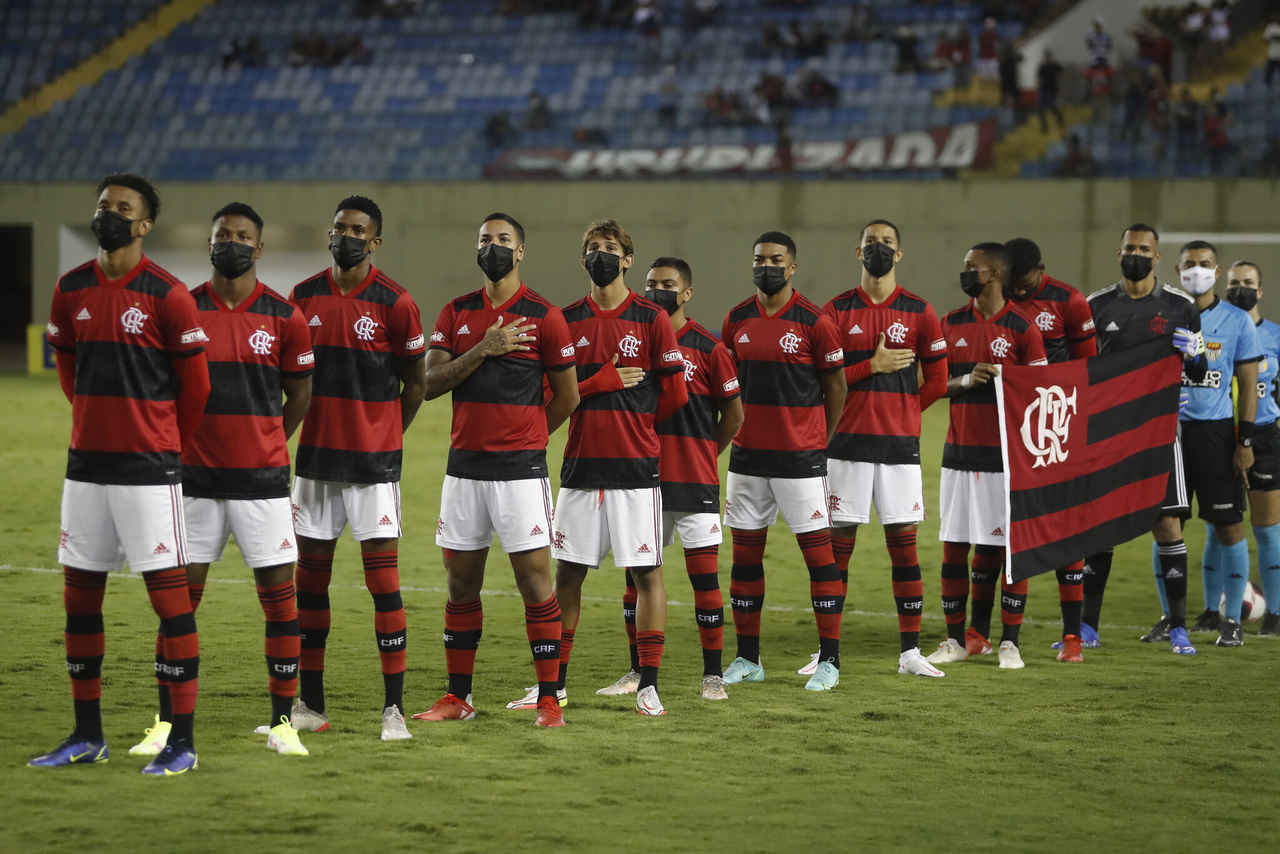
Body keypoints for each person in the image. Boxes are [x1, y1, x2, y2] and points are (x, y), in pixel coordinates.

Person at [32, 174, 210, 775]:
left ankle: (181, 742)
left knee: (171, 604)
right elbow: (69, 371)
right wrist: (94, 423)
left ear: (145, 224)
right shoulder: (71, 288)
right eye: (103, 205)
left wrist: (163, 445)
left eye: (122, 208)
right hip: (86, 469)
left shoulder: (169, 294)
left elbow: (197, 387)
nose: (109, 214)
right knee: (80, 603)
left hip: (148, 471)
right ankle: (87, 735)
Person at [128, 203, 314, 759]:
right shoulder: (181, 309)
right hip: (193, 484)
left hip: (263, 484)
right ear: (209, 245)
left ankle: (283, 723)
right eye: (221, 236)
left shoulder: (285, 316)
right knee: (179, 606)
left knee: (281, 604)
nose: (229, 244)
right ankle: (165, 723)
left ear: (259, 249)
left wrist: (267, 439)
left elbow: (299, 393)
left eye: (241, 237)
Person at [512, 219, 686, 717]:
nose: (601, 255)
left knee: (647, 573)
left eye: (610, 249)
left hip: (634, 469)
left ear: (628, 260)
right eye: (592, 248)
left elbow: (674, 395)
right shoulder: (564, 321)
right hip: (582, 469)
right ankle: (555, 686)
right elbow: (551, 395)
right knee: (568, 576)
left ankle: (648, 684)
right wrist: (600, 382)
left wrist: (635, 426)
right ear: (581, 259)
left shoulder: (652, 319)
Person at [414, 213, 577, 728]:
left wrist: (527, 440)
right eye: (485, 239)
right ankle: (458, 698)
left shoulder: (544, 316)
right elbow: (430, 382)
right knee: (460, 583)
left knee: (535, 581)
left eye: (503, 240)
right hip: (464, 471)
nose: (493, 247)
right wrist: (483, 348)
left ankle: (550, 698)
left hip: (521, 474)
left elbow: (568, 396)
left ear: (521, 252)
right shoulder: (456, 312)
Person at [289, 195, 427, 741]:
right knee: (310, 587)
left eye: (357, 230)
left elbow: (415, 385)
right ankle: (310, 706)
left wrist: (388, 435)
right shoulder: (302, 298)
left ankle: (393, 709)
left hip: (373, 467)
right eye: (339, 227)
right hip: (316, 463)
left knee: (383, 585)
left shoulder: (396, 303)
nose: (345, 236)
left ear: (375, 241)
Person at [597, 257, 743, 701]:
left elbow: (733, 416)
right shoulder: (636, 341)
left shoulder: (709, 348)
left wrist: (702, 452)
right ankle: (637, 672)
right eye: (650, 284)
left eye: (668, 285)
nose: (657, 291)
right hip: (644, 482)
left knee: (705, 582)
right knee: (635, 582)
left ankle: (712, 675)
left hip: (695, 484)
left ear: (687, 293)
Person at [720, 232, 848, 691]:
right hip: (747, 460)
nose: (767, 266)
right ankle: (748, 659)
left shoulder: (815, 321)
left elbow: (837, 388)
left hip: (800, 462)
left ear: (792, 267)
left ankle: (829, 661)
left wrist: (818, 441)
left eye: (776, 260)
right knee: (745, 561)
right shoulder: (736, 319)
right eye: (760, 259)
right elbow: (727, 388)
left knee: (819, 559)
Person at [820, 220, 948, 679]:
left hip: (898, 449)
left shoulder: (919, 311)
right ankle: (825, 651)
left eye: (887, 243)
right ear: (858, 252)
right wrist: (869, 366)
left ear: (899, 254)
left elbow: (936, 378)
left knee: (904, 549)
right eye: (871, 242)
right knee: (836, 551)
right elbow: (825, 381)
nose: (878, 249)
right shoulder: (835, 312)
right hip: (846, 447)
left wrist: (908, 413)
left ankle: (910, 653)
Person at [1083, 224, 1209, 655]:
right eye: (1129, 248)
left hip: (1158, 433)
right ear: (1118, 252)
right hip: (1108, 434)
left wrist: (1196, 354)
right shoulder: (1096, 306)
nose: (1135, 254)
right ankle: (1087, 627)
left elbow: (1196, 372)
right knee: (1099, 531)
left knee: (1168, 524)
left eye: (1143, 249)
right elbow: (1080, 371)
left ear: (1157, 257)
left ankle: (1178, 628)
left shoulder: (1180, 306)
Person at [929, 242, 1047, 671]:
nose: (965, 274)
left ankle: (1009, 642)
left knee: (1010, 550)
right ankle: (956, 640)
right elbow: (934, 383)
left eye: (971, 268)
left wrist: (1006, 377)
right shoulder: (950, 323)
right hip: (959, 455)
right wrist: (964, 380)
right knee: (953, 548)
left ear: (994, 274)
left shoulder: (1021, 327)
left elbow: (1043, 389)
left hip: (1006, 460)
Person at [1156, 241, 1260, 648]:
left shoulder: (1237, 321)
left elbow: (1248, 385)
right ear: (1177, 269)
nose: (1195, 271)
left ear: (1216, 273)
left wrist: (1245, 439)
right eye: (1188, 265)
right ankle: (1171, 617)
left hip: (1215, 434)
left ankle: (1231, 619)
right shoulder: (1163, 313)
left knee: (1230, 526)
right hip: (1167, 432)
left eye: (1203, 265)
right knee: (1165, 525)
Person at [1004, 238, 1098, 662]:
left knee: (1065, 529)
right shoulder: (998, 298)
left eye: (1024, 281)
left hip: (1057, 430)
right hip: (1009, 432)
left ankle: (1073, 638)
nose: (1018, 289)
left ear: (1041, 269)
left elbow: (1089, 366)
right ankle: (1008, 637)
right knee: (1014, 529)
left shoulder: (1068, 301)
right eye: (1012, 281)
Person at [1224, 261, 1280, 635]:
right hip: (1219, 436)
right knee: (1223, 526)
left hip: (1264, 436)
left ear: (1260, 291)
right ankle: (1217, 611)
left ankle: (1274, 613)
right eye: (1234, 284)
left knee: (1267, 529)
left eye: (1248, 283)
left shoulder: (1275, 335)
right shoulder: (1217, 329)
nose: (1240, 289)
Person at [1037, 50, 1063, 133]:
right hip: (1043, 89)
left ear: (1050, 57)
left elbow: (1061, 71)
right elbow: (1039, 78)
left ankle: (1060, 120)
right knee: (1041, 109)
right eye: (1046, 56)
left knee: (1052, 107)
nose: (1047, 58)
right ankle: (1044, 126)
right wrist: (1039, 88)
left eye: (1048, 56)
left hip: (1052, 90)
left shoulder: (1054, 65)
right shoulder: (1042, 66)